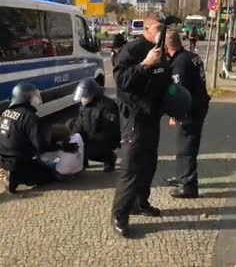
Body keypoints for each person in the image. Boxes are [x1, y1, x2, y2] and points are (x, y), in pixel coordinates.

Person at [110, 13, 171, 237]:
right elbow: (122, 81)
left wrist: (173, 106)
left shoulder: (162, 50)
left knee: (149, 164)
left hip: (152, 116)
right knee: (132, 167)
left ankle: (140, 203)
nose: (160, 32)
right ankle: (119, 214)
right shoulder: (133, 50)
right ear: (146, 29)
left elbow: (164, 80)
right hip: (134, 118)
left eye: (163, 28)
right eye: (156, 28)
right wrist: (145, 64)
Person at [0, 82, 79, 193]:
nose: (36, 98)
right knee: (50, 175)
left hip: (1, 157)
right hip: (19, 161)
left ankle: (16, 173)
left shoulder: (6, 112)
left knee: (39, 164)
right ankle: (15, 178)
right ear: (25, 97)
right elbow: (41, 147)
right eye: (33, 95)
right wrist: (61, 146)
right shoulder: (30, 118)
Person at [164, 31, 210, 198]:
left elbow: (180, 92)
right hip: (200, 104)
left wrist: (175, 115)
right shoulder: (191, 56)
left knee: (186, 147)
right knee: (187, 144)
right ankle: (183, 177)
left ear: (166, 46)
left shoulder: (179, 63)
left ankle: (188, 186)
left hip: (191, 110)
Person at [70, 79, 120, 172]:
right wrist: (73, 138)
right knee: (76, 141)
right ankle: (83, 161)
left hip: (103, 139)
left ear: (92, 93)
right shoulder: (84, 107)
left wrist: (93, 141)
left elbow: (111, 130)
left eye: (85, 96)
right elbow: (79, 123)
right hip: (90, 136)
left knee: (92, 152)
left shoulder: (107, 105)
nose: (83, 99)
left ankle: (109, 158)